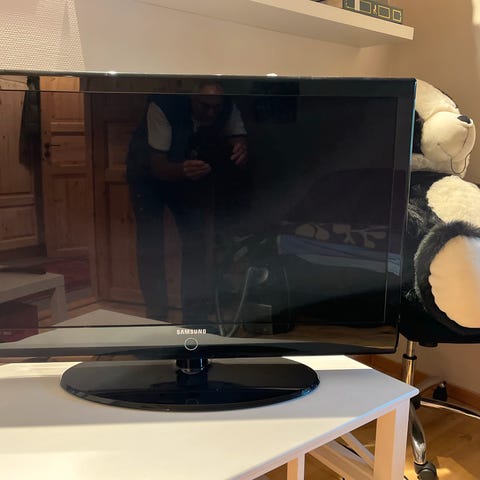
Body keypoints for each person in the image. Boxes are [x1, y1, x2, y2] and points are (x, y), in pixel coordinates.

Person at [126, 81, 248, 324]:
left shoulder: (228, 106)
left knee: (196, 241)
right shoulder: (162, 106)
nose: (211, 113)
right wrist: (182, 170)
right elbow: (158, 166)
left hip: (187, 174)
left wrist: (240, 147)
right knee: (151, 245)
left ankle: (195, 319)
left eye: (216, 108)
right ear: (191, 98)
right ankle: (156, 318)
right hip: (147, 175)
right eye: (205, 106)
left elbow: (238, 136)